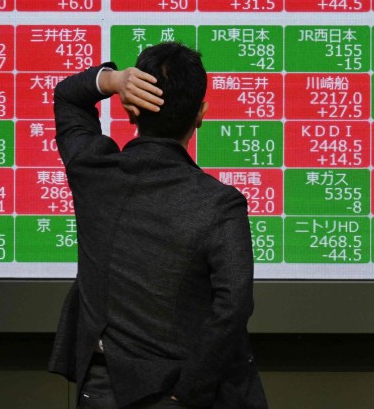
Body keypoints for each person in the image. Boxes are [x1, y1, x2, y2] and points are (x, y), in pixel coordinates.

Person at [48, 42, 267, 409]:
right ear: (200, 114)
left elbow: (68, 98)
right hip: (181, 392)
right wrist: (189, 392)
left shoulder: (94, 172)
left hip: (101, 388)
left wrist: (113, 80)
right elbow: (234, 307)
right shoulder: (219, 204)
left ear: (132, 110)